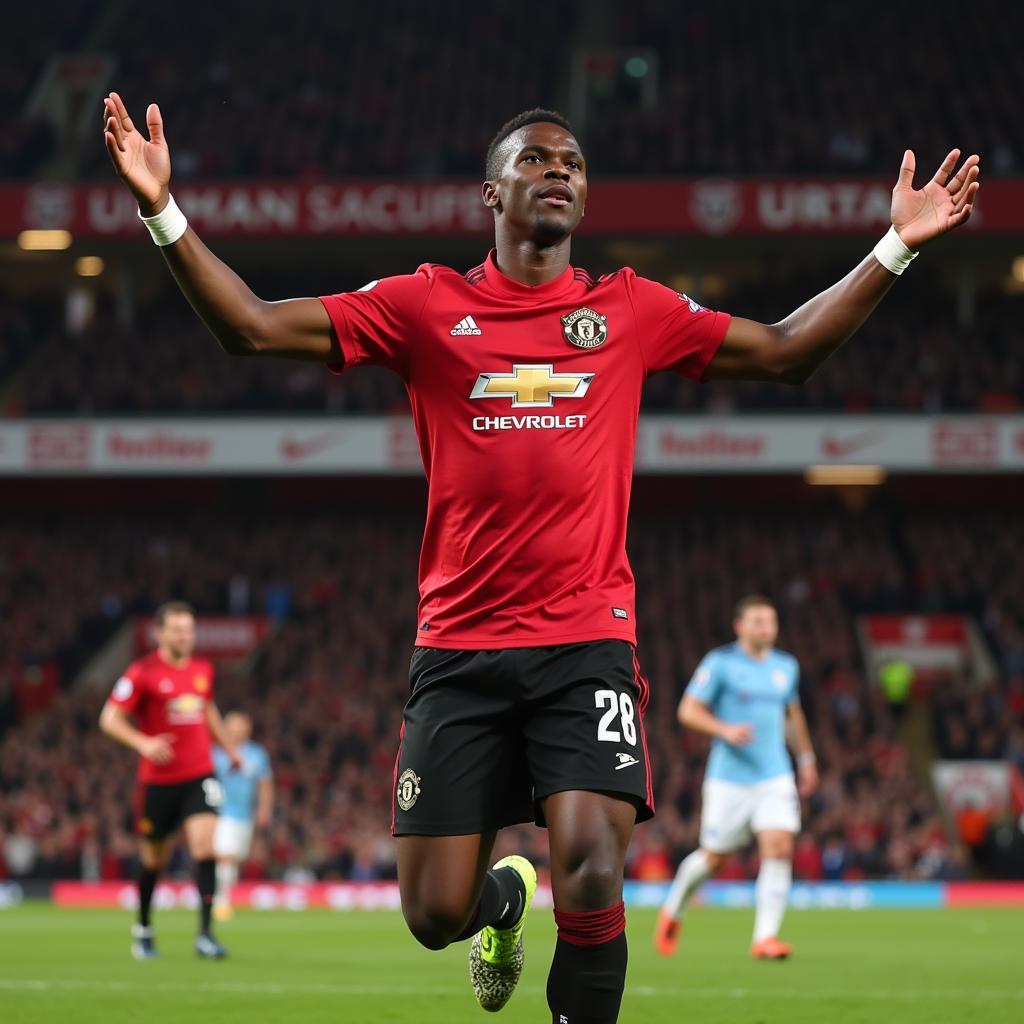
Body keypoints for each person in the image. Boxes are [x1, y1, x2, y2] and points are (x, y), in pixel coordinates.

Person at [102, 88, 978, 1021]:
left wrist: (897, 247)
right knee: (433, 912)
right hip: (459, 651)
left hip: (585, 641)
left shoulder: (630, 309)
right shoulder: (425, 305)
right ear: (492, 192)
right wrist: (161, 208)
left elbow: (787, 351)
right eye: (536, 160)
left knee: (595, 869)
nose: (558, 171)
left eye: (573, 164)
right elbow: (251, 325)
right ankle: (500, 903)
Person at [655, 596, 818, 959]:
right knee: (714, 859)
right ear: (739, 626)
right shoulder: (720, 663)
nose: (767, 628)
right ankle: (673, 910)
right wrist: (724, 729)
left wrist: (805, 759)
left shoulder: (785, 666)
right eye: (758, 621)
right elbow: (688, 710)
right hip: (729, 779)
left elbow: (792, 716)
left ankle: (765, 938)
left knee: (779, 846)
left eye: (771, 622)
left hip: (775, 774)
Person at [99, 601, 241, 960]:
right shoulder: (142, 672)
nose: (185, 635)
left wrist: (229, 748)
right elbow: (110, 718)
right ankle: (144, 927)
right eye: (177, 629)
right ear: (160, 633)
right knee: (153, 861)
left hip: (199, 774)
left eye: (189, 629)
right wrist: (143, 742)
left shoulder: (202, 669)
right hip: (159, 783)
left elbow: (206, 708)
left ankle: (206, 935)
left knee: (205, 848)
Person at [211, 710, 273, 920]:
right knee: (225, 855)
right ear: (226, 728)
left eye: (243, 725)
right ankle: (221, 901)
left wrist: (264, 809)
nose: (239, 729)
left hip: (244, 815)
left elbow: (265, 784)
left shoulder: (257, 754)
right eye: (235, 725)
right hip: (221, 812)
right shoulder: (216, 752)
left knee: (236, 857)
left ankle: (222, 894)